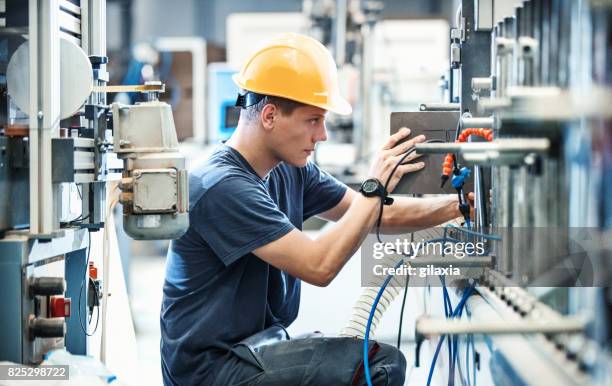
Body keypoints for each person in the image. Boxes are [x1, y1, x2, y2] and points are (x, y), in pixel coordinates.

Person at [161, 33, 464, 386]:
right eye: (313, 120)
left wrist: (457, 205)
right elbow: (319, 266)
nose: (322, 135)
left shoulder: (290, 168)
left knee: (365, 360)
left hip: (256, 349)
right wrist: (374, 185)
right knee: (378, 366)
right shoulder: (221, 185)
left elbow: (374, 215)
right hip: (212, 370)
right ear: (271, 115)